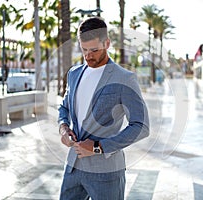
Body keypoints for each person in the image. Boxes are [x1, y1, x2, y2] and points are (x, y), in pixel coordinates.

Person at [58, 17, 150, 200]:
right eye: (84, 50)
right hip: (73, 166)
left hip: (106, 172)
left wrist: (99, 147)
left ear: (107, 43)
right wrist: (63, 128)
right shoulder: (74, 74)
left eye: (94, 50)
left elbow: (141, 126)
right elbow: (64, 107)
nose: (88, 56)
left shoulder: (124, 78)